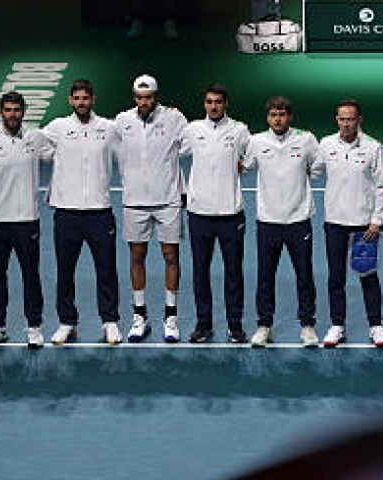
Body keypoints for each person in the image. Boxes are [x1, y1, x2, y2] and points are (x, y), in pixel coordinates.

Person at [41, 78, 123, 345]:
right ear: (70, 101)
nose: (81, 103)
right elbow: (27, 142)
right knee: (65, 271)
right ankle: (67, 322)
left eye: (85, 98)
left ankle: (110, 322)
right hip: (66, 213)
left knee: (106, 270)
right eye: (76, 98)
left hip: (100, 212)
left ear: (93, 100)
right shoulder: (57, 128)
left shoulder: (109, 128)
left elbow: (135, 149)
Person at [0, 91, 49, 350]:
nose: (12, 114)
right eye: (8, 110)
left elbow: (64, 151)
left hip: (27, 220)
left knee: (31, 276)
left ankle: (34, 327)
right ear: (1, 113)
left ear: (23, 112)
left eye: (17, 110)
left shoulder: (36, 138)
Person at [311, 98, 383, 348]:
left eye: (351, 119)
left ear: (359, 120)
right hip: (334, 222)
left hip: (364, 226)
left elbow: (382, 186)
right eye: (342, 119)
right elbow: (313, 171)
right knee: (336, 277)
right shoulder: (326, 144)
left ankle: (376, 326)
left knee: (367, 275)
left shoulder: (372, 147)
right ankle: (337, 326)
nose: (346, 124)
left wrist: (376, 221)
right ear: (337, 120)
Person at [115, 74, 189, 342]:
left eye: (147, 97)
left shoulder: (174, 118)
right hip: (134, 201)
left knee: (171, 256)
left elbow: (196, 139)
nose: (143, 102)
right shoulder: (122, 121)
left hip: (168, 200)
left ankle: (171, 318)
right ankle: (139, 317)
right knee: (137, 256)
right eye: (139, 98)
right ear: (134, 97)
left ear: (155, 97)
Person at [241, 95, 320, 347]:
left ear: (289, 116)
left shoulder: (306, 140)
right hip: (268, 221)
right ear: (268, 118)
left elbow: (317, 167)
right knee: (265, 276)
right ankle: (265, 326)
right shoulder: (256, 141)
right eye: (273, 114)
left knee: (304, 275)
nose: (278, 119)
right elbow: (244, 167)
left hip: (299, 220)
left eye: (282, 114)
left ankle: (307, 326)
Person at [180, 83, 250, 343]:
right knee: (201, 271)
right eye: (209, 101)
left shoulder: (240, 131)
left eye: (218, 101)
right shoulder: (192, 130)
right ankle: (203, 324)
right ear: (204, 104)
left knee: (234, 272)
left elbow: (250, 159)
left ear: (225, 104)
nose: (213, 106)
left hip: (232, 214)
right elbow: (169, 155)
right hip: (199, 213)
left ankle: (235, 325)